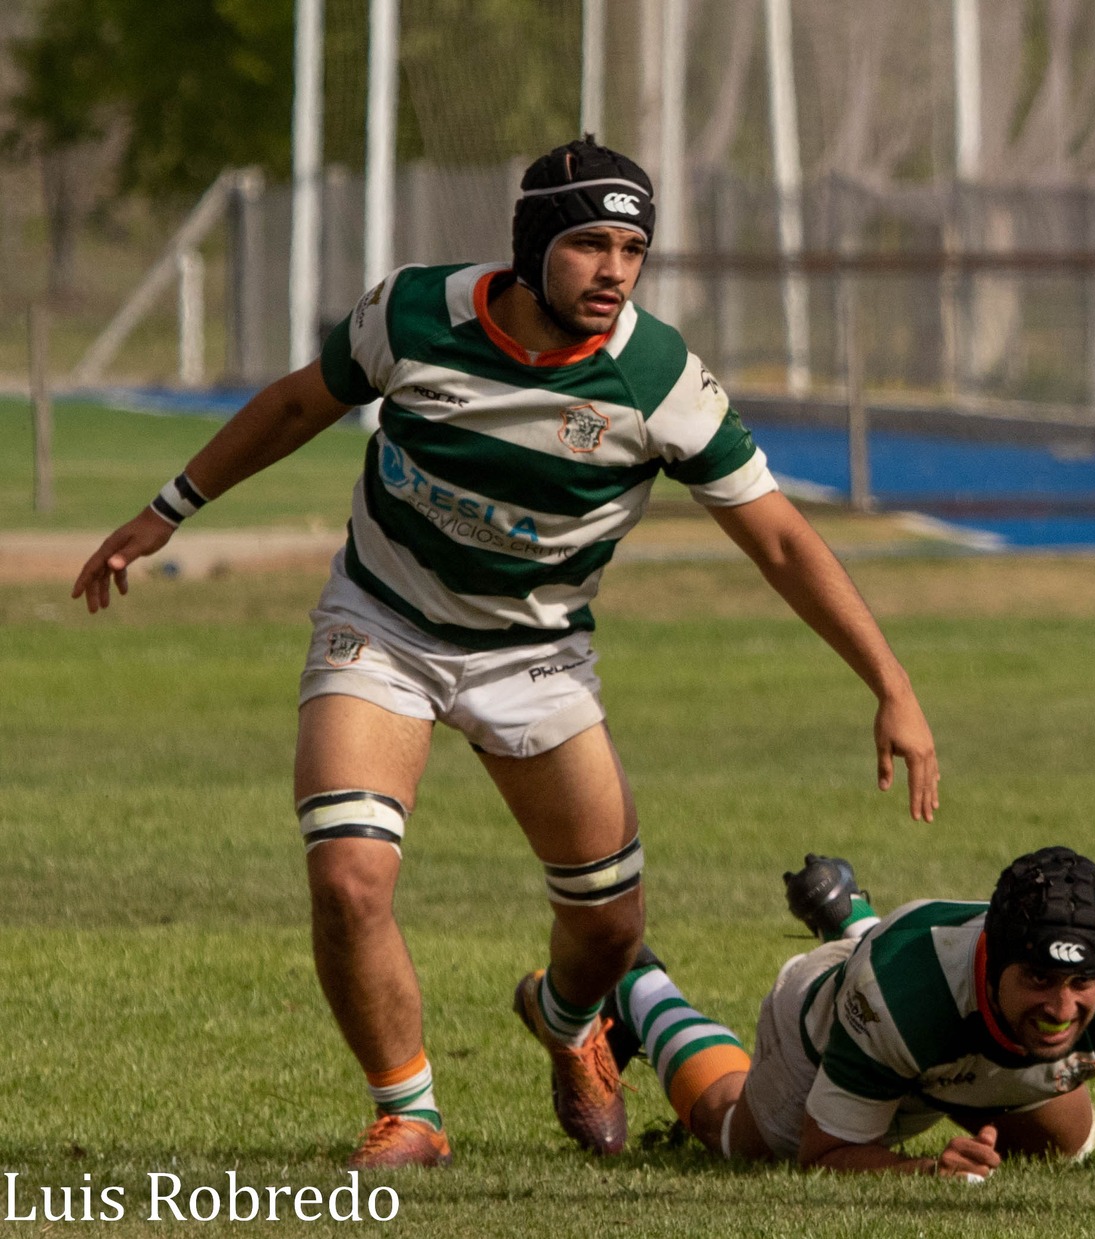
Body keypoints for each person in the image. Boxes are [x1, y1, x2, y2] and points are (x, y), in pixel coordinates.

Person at [70, 137, 940, 1170]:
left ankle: (572, 1025)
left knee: (610, 930)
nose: (613, 270)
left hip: (536, 658)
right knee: (349, 878)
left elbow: (785, 541)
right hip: (383, 626)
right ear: (532, 250)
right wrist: (169, 509)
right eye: (588, 245)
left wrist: (891, 686)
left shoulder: (658, 377)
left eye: (631, 248)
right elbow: (303, 401)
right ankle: (411, 1112)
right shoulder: (415, 314)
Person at [601, 848, 1095, 1178]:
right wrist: (929, 1169)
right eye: (1039, 977)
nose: (1061, 1008)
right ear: (992, 960)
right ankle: (639, 988)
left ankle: (850, 914)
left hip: (959, 1032)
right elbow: (827, 1156)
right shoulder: (898, 996)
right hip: (842, 1018)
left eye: (1082, 982)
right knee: (736, 1134)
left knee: (1063, 1150)